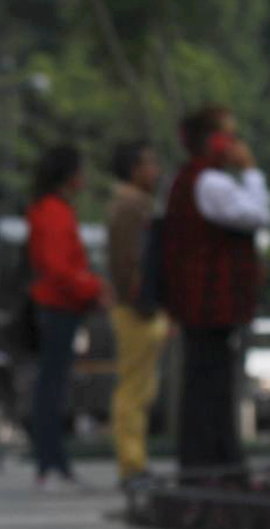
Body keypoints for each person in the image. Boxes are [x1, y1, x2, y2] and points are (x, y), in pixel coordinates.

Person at [163, 106, 270, 474]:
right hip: (211, 302)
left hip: (202, 304)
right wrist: (252, 171)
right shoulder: (210, 182)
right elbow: (256, 215)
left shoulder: (192, 179)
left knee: (207, 381)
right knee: (211, 383)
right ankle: (213, 461)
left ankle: (209, 458)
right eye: (231, 136)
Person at [27, 144, 109, 490]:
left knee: (53, 387)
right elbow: (60, 268)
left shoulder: (50, 210)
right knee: (52, 388)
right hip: (59, 308)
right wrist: (94, 288)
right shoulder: (54, 212)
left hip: (61, 307)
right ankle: (50, 464)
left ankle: (54, 462)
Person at [107, 140, 167, 488]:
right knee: (133, 390)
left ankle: (135, 461)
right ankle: (131, 465)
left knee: (140, 388)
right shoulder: (131, 205)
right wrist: (139, 297)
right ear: (134, 169)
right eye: (150, 163)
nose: (155, 171)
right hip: (135, 309)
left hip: (136, 306)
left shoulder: (133, 203)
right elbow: (126, 260)